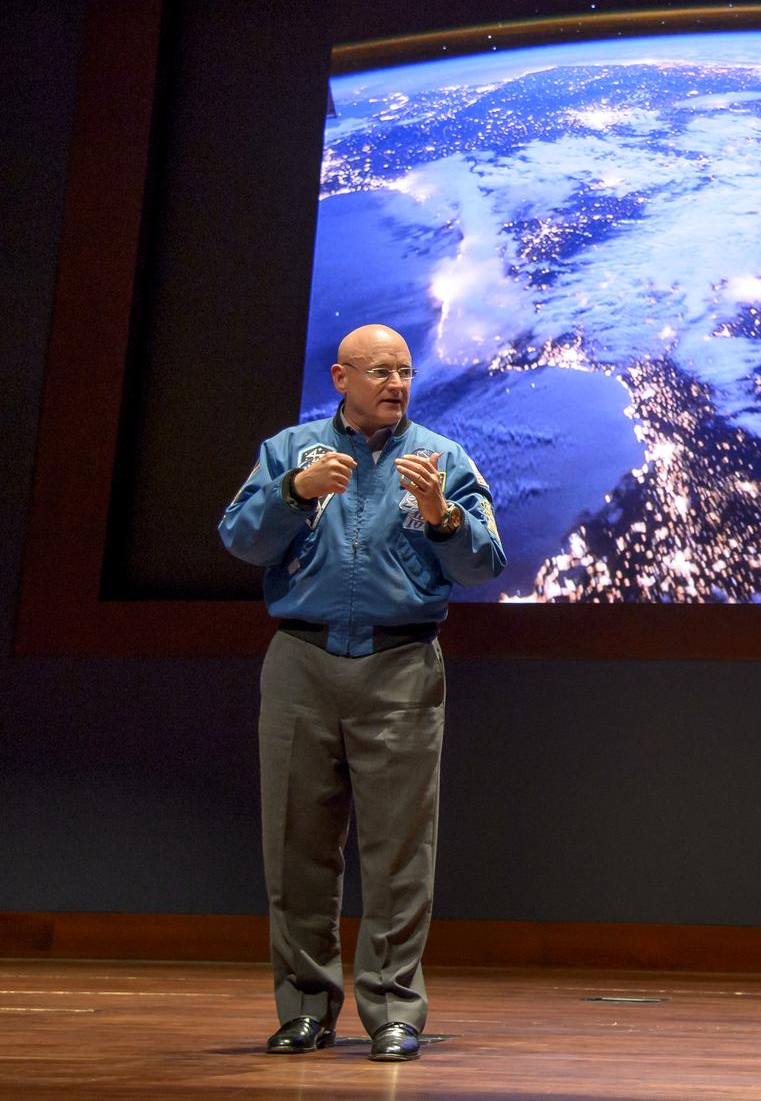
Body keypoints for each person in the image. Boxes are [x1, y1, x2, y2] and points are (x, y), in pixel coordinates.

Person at [219, 324, 505, 1063]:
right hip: (302, 660)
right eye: (380, 371)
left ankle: (393, 1011)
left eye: (405, 371)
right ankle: (305, 1007)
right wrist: (293, 493)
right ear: (341, 377)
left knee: (399, 851)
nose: (397, 384)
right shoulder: (291, 451)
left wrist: (443, 517)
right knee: (296, 845)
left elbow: (484, 564)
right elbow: (240, 539)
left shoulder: (442, 459)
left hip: (401, 665)